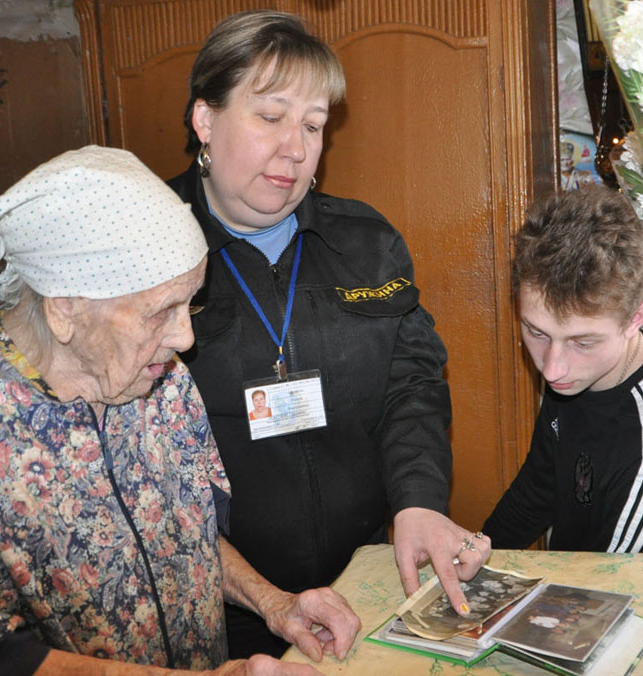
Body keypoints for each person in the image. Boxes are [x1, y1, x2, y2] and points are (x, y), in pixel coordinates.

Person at [0, 146, 359, 676]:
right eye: (159, 312)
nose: (185, 338)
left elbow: (187, 535)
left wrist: (275, 604)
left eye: (189, 302)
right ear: (64, 311)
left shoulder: (161, 379)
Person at [167, 11, 491, 658]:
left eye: (313, 125)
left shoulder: (365, 242)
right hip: (218, 605)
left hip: (369, 581)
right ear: (206, 120)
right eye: (270, 116)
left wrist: (420, 502)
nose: (296, 146)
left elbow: (413, 387)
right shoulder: (151, 253)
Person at [482, 185, 643, 554]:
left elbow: (613, 595)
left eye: (582, 342)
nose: (552, 370)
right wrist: (478, 555)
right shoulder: (577, 375)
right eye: (536, 332)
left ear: (636, 318)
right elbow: (538, 490)